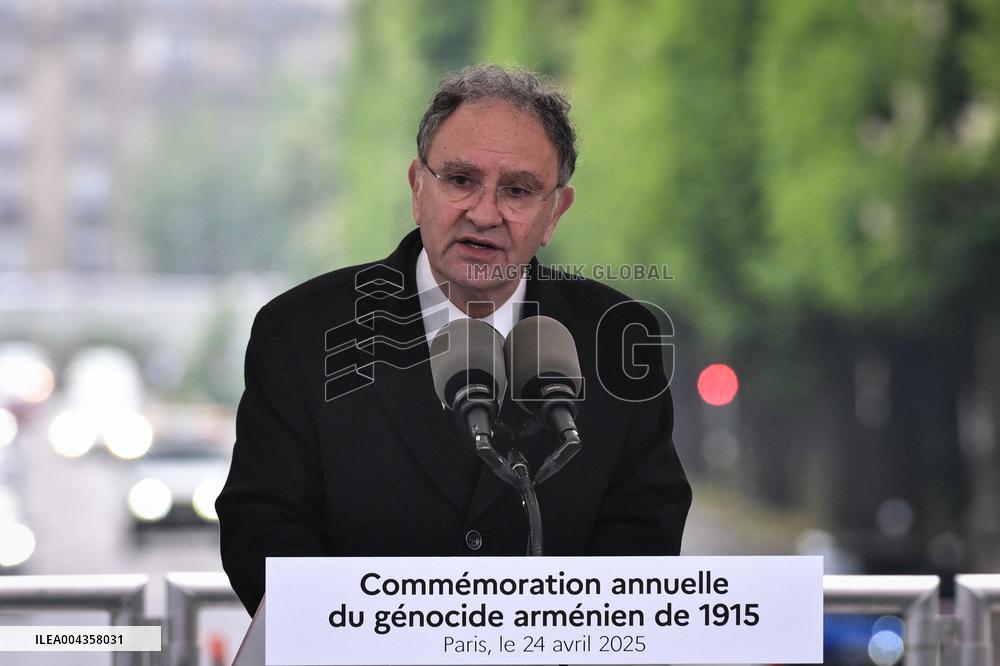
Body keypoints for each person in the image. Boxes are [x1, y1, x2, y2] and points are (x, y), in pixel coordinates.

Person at [216, 64, 692, 616]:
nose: (484, 213)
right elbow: (264, 527)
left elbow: (644, 533)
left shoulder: (619, 337)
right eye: (461, 180)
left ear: (554, 212)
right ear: (419, 188)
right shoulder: (299, 332)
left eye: (518, 191)